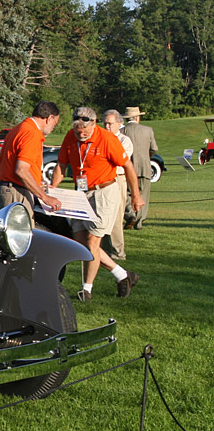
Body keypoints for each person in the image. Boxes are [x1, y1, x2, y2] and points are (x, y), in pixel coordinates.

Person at [51, 106, 144, 301]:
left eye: (84, 132)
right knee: (80, 241)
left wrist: (136, 195)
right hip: (81, 192)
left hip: (104, 192)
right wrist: (52, 188)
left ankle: (86, 290)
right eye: (78, 131)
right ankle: (122, 275)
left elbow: (127, 166)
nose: (81, 135)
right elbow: (62, 164)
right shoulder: (70, 137)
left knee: (93, 241)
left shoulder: (107, 139)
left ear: (94, 124)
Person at [0, 101, 63, 221]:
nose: (53, 129)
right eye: (55, 124)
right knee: (20, 236)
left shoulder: (19, 128)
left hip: (6, 189)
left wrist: (37, 182)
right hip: (16, 191)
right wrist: (45, 197)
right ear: (49, 118)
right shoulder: (31, 133)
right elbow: (21, 170)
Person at [100, 110, 133, 260]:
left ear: (119, 124)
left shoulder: (124, 140)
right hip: (101, 179)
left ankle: (118, 251)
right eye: (105, 123)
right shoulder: (100, 138)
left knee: (116, 215)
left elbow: (119, 162)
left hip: (117, 178)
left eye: (110, 123)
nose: (107, 126)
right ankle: (103, 249)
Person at [121, 106, 158, 230]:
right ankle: (139, 222)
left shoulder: (122, 132)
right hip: (144, 168)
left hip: (126, 168)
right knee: (143, 195)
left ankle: (130, 214)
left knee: (126, 193)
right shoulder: (148, 130)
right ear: (138, 117)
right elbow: (154, 149)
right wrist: (146, 157)